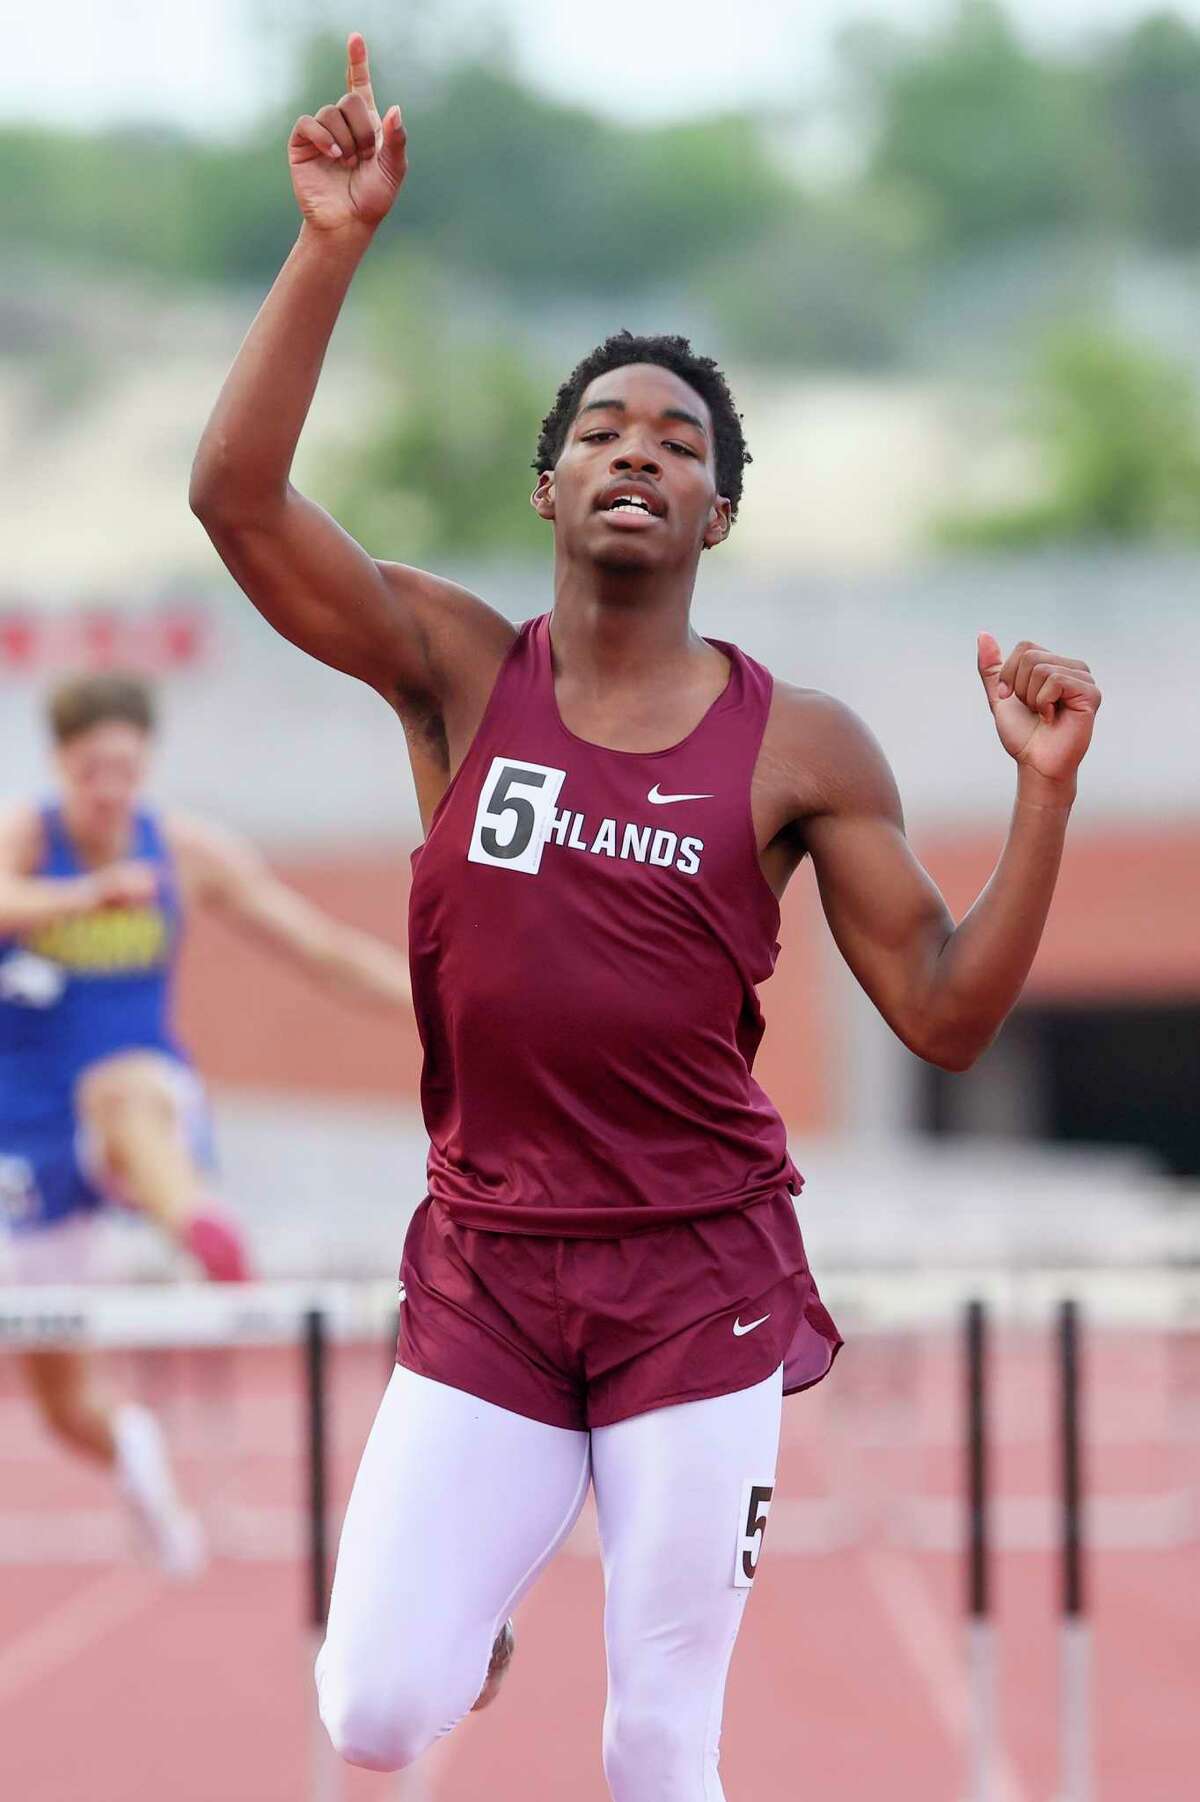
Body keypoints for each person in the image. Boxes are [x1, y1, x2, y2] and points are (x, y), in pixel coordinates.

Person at [189, 33, 1102, 1798]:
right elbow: (235, 504)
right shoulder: (458, 670)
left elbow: (943, 1011)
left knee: (659, 1738)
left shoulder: (799, 746)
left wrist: (1047, 797)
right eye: (599, 429)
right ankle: (479, 1607)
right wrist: (329, 246)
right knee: (375, 1708)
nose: (635, 450)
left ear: (716, 509)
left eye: (674, 440)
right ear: (547, 490)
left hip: (700, 1279)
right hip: (493, 1269)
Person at [0, 671, 411, 1575]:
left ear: (146, 764)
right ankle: (132, 1448)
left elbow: (319, 947)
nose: (108, 790)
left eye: (124, 770)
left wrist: (438, 1007)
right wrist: (86, 896)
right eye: (89, 772)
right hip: (29, 1131)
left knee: (122, 1093)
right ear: (61, 764)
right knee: (63, 1401)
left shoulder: (183, 852)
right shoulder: (29, 840)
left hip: (145, 1104)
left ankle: (201, 1228)